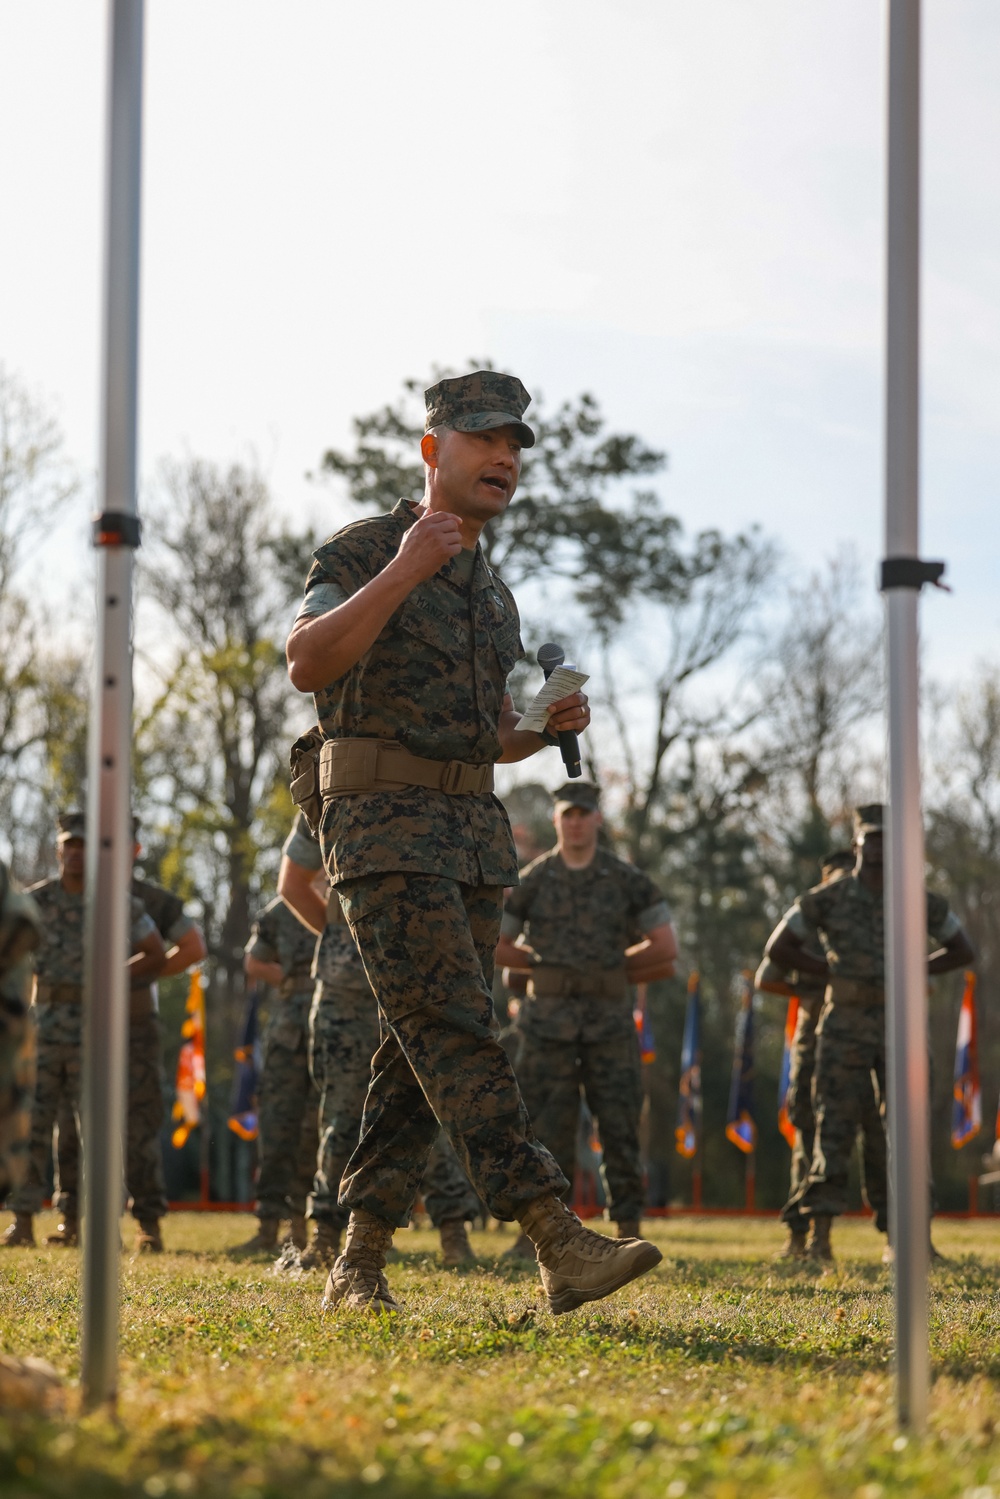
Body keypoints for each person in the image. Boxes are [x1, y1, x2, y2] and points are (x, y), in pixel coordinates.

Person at [285, 369, 662, 1313]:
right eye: (487, 438)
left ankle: (357, 1261)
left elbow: (492, 736)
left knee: (417, 1053)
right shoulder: (365, 546)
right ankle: (553, 1235)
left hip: (472, 841)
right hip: (381, 831)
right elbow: (307, 661)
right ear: (432, 449)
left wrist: (545, 720)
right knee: (456, 1029)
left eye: (517, 445)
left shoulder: (494, 597)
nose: (506, 457)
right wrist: (405, 566)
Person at [277, 812, 482, 1271]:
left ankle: (454, 1234)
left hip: (421, 984)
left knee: (430, 1109)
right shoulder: (329, 789)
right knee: (340, 1117)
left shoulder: (428, 779)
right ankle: (326, 1235)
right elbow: (292, 884)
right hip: (346, 991)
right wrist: (352, 937)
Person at [769, 804, 974, 1261]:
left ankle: (914, 1238)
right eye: (873, 838)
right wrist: (829, 970)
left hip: (899, 1025)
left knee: (907, 1128)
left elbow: (962, 949)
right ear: (858, 843)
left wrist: (915, 970)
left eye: (889, 838)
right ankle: (819, 1237)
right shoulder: (827, 899)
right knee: (833, 1128)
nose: (881, 847)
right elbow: (778, 948)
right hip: (843, 1026)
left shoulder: (917, 900)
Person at [495, 780, 678, 1257]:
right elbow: (496, 942)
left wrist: (610, 972)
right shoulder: (531, 880)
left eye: (583, 813)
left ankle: (628, 1226)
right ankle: (539, 1231)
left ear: (597, 818)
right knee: (542, 1129)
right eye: (567, 814)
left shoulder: (626, 880)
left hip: (609, 1024)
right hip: (546, 1027)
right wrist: (542, 968)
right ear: (556, 820)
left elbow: (665, 946)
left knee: (618, 1123)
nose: (575, 822)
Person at [1, 811, 166, 1251]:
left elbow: (155, 953)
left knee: (95, 1131)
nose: (75, 853)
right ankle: (22, 1221)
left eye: (83, 846)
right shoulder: (34, 900)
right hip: (41, 1031)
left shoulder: (114, 903)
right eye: (68, 845)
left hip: (94, 1034)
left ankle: (100, 1226)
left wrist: (112, 976)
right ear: (58, 850)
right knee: (32, 1127)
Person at [48, 822, 208, 1250]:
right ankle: (71, 1219)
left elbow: (193, 949)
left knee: (137, 1123)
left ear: (135, 848)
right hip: (74, 1024)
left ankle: (147, 1223)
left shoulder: (153, 900)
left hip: (133, 1024)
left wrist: (125, 981)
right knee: (70, 1119)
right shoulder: (70, 896)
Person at [756, 847, 888, 1260]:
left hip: (865, 1041)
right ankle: (803, 1235)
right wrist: (816, 986)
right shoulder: (810, 927)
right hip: (814, 1041)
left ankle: (898, 1235)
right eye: (836, 879)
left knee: (878, 1136)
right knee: (811, 1138)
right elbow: (767, 976)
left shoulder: (871, 929)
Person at [235, 892, 322, 1256]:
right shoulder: (281, 909)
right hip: (288, 1035)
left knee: (323, 1127)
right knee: (277, 1127)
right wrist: (288, 978)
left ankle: (328, 1228)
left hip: (339, 1031)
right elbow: (254, 962)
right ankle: (269, 1226)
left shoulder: (349, 896)